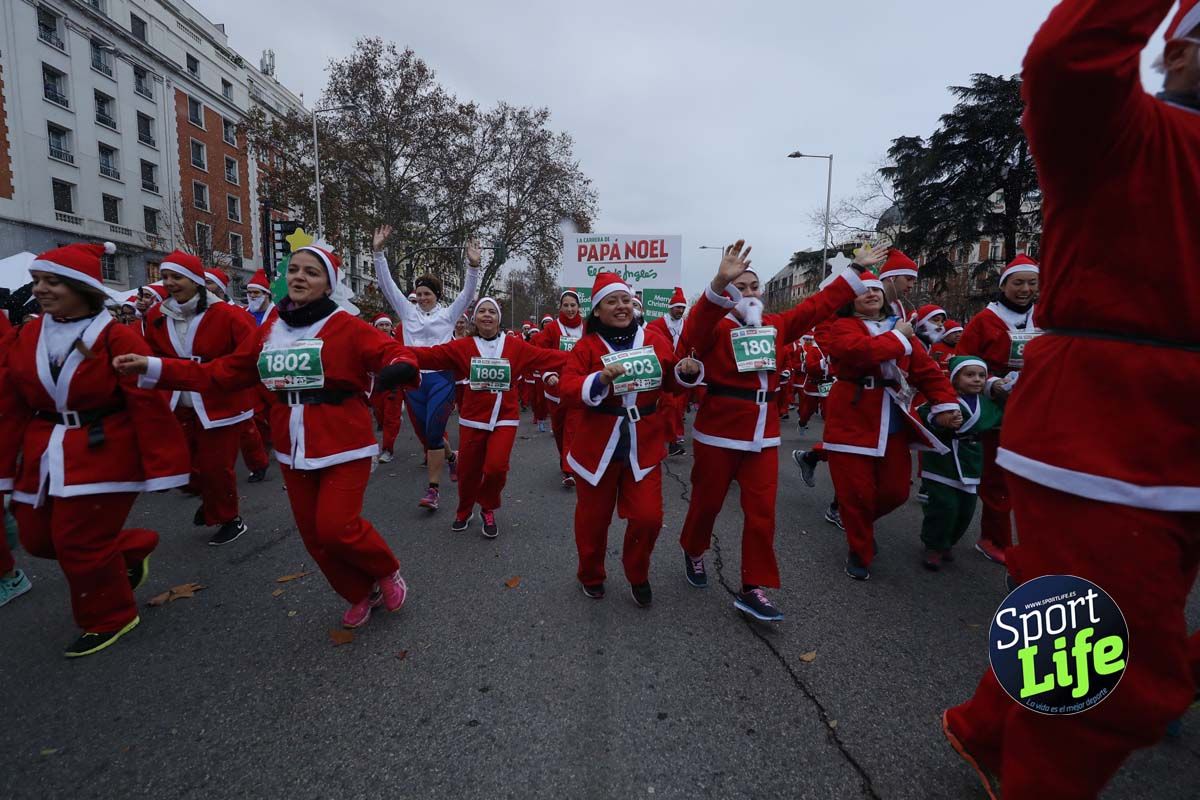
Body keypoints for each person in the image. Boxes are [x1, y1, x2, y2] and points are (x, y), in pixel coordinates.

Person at [943, 3, 1200, 798]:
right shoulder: (1129, 131)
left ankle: (988, 727)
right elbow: (1067, 60)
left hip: (1164, 445)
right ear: (1183, 52)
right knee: (1108, 680)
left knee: (1072, 628)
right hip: (1111, 440)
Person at [115, 244, 421, 630]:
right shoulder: (271, 326)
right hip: (292, 448)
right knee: (313, 538)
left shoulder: (347, 325)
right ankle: (361, 592)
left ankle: (387, 569)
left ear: (329, 285)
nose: (298, 277)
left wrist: (399, 369)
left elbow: (395, 353)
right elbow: (224, 372)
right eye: (293, 270)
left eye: (311, 272)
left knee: (336, 527)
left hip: (344, 442)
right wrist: (155, 367)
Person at [1, 242, 190, 656]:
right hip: (45, 452)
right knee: (36, 538)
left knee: (78, 542)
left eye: (52, 281)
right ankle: (128, 547)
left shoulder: (116, 337)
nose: (41, 290)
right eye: (37, 282)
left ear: (82, 287)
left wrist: (163, 466)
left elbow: (147, 402)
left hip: (103, 449)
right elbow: (11, 402)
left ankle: (110, 615)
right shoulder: (28, 334)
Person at [676, 241, 877, 620]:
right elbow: (696, 326)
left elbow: (816, 306)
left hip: (763, 435)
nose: (749, 292)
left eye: (754, 286)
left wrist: (855, 270)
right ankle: (693, 547)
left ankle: (753, 586)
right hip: (719, 432)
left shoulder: (776, 325)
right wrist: (719, 281)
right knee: (707, 505)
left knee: (762, 513)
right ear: (729, 294)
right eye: (741, 286)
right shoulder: (715, 329)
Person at [559, 272, 700, 606]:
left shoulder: (653, 339)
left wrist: (685, 372)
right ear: (597, 310)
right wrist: (599, 379)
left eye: (625, 300)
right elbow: (567, 388)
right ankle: (591, 574)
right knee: (593, 523)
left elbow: (672, 382)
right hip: (597, 448)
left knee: (648, 518)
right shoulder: (587, 346)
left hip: (644, 444)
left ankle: (637, 573)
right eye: (612, 301)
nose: (621, 307)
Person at [821, 270, 959, 581]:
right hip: (852, 419)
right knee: (856, 494)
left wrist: (945, 403)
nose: (871, 295)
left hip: (893, 419)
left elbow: (927, 372)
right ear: (850, 299)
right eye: (862, 291)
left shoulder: (902, 331)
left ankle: (859, 525)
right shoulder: (843, 327)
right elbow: (859, 353)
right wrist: (900, 336)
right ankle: (860, 549)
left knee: (896, 491)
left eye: (876, 291)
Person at [409, 298, 568, 537]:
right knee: (468, 470)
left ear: (498, 318)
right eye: (481, 311)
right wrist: (391, 352)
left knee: (496, 468)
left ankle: (487, 506)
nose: (486, 315)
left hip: (504, 417)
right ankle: (464, 510)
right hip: (473, 418)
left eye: (492, 311)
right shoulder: (462, 346)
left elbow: (546, 357)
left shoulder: (515, 346)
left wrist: (588, 358)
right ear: (474, 318)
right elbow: (430, 356)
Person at [141, 251, 256, 546]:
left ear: (195, 280)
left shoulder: (229, 315)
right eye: (165, 277)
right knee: (183, 464)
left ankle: (231, 518)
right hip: (179, 404)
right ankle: (210, 498)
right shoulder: (156, 316)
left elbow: (249, 357)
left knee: (217, 467)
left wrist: (209, 373)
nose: (169, 283)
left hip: (220, 404)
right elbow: (151, 353)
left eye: (176, 277)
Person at [373, 225, 479, 510]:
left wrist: (473, 265)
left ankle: (433, 490)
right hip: (414, 381)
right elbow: (387, 286)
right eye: (418, 293)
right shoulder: (407, 312)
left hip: (441, 381)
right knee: (427, 434)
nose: (421, 298)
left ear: (437, 295)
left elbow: (468, 294)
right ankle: (452, 458)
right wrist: (378, 252)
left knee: (433, 433)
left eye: (427, 293)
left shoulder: (447, 315)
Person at [953, 253, 1040, 566]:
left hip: (1034, 408)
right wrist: (991, 384)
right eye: (1018, 282)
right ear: (1004, 286)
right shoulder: (984, 321)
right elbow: (961, 361)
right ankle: (994, 538)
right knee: (998, 479)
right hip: (995, 410)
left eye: (1031, 283)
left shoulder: (1044, 317)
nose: (1025, 289)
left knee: (1032, 480)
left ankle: (1040, 543)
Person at [916, 356, 1003, 571]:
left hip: (972, 460)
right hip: (943, 461)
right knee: (944, 506)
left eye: (981, 375)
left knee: (966, 510)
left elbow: (1002, 417)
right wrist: (940, 420)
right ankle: (933, 545)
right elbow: (924, 411)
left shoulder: (987, 405)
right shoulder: (946, 399)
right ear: (955, 378)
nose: (977, 380)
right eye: (970, 374)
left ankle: (948, 542)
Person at [535, 290, 586, 487]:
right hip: (555, 388)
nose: (570, 309)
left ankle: (569, 469)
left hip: (577, 387)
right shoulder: (552, 329)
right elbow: (540, 353)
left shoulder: (586, 327)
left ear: (578, 307)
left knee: (573, 428)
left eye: (573, 305)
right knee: (559, 429)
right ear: (560, 307)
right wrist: (548, 374)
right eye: (566, 305)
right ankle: (564, 457)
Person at [645, 287, 689, 455]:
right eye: (678, 307)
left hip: (680, 373)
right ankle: (669, 440)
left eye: (683, 308)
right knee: (667, 406)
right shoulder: (656, 325)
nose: (680, 310)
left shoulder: (687, 325)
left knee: (677, 408)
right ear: (670, 307)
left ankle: (673, 439)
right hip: (661, 372)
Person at [369, 313, 404, 463]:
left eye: (387, 325)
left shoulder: (397, 343)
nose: (384, 327)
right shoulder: (368, 342)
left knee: (390, 419)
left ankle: (387, 449)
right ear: (375, 327)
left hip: (393, 386)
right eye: (381, 325)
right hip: (375, 385)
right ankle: (393, 422)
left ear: (391, 327)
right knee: (380, 416)